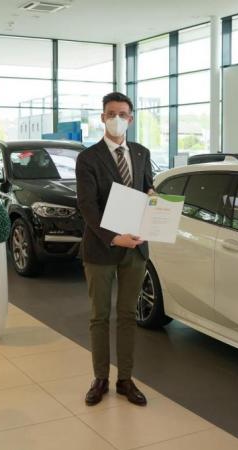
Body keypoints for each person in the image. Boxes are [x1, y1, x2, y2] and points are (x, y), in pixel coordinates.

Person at [75, 92, 155, 407]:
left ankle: (125, 379)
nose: (116, 119)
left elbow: (147, 189)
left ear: (130, 119)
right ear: (102, 118)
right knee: (99, 316)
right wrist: (113, 237)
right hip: (101, 248)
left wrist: (153, 196)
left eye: (122, 114)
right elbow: (87, 206)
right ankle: (100, 378)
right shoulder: (89, 158)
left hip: (136, 248)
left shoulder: (141, 153)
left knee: (128, 315)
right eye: (111, 114)